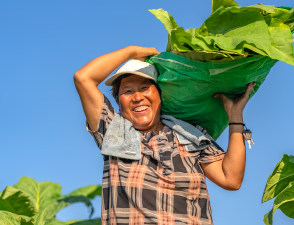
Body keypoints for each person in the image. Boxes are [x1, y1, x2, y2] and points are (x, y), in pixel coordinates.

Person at [74, 46, 255, 225]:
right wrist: (132, 52)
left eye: (145, 88)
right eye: (127, 91)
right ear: (119, 104)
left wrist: (235, 117)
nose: (137, 97)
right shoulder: (117, 133)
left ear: (160, 96)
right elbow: (83, 78)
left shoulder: (190, 135)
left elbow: (230, 179)